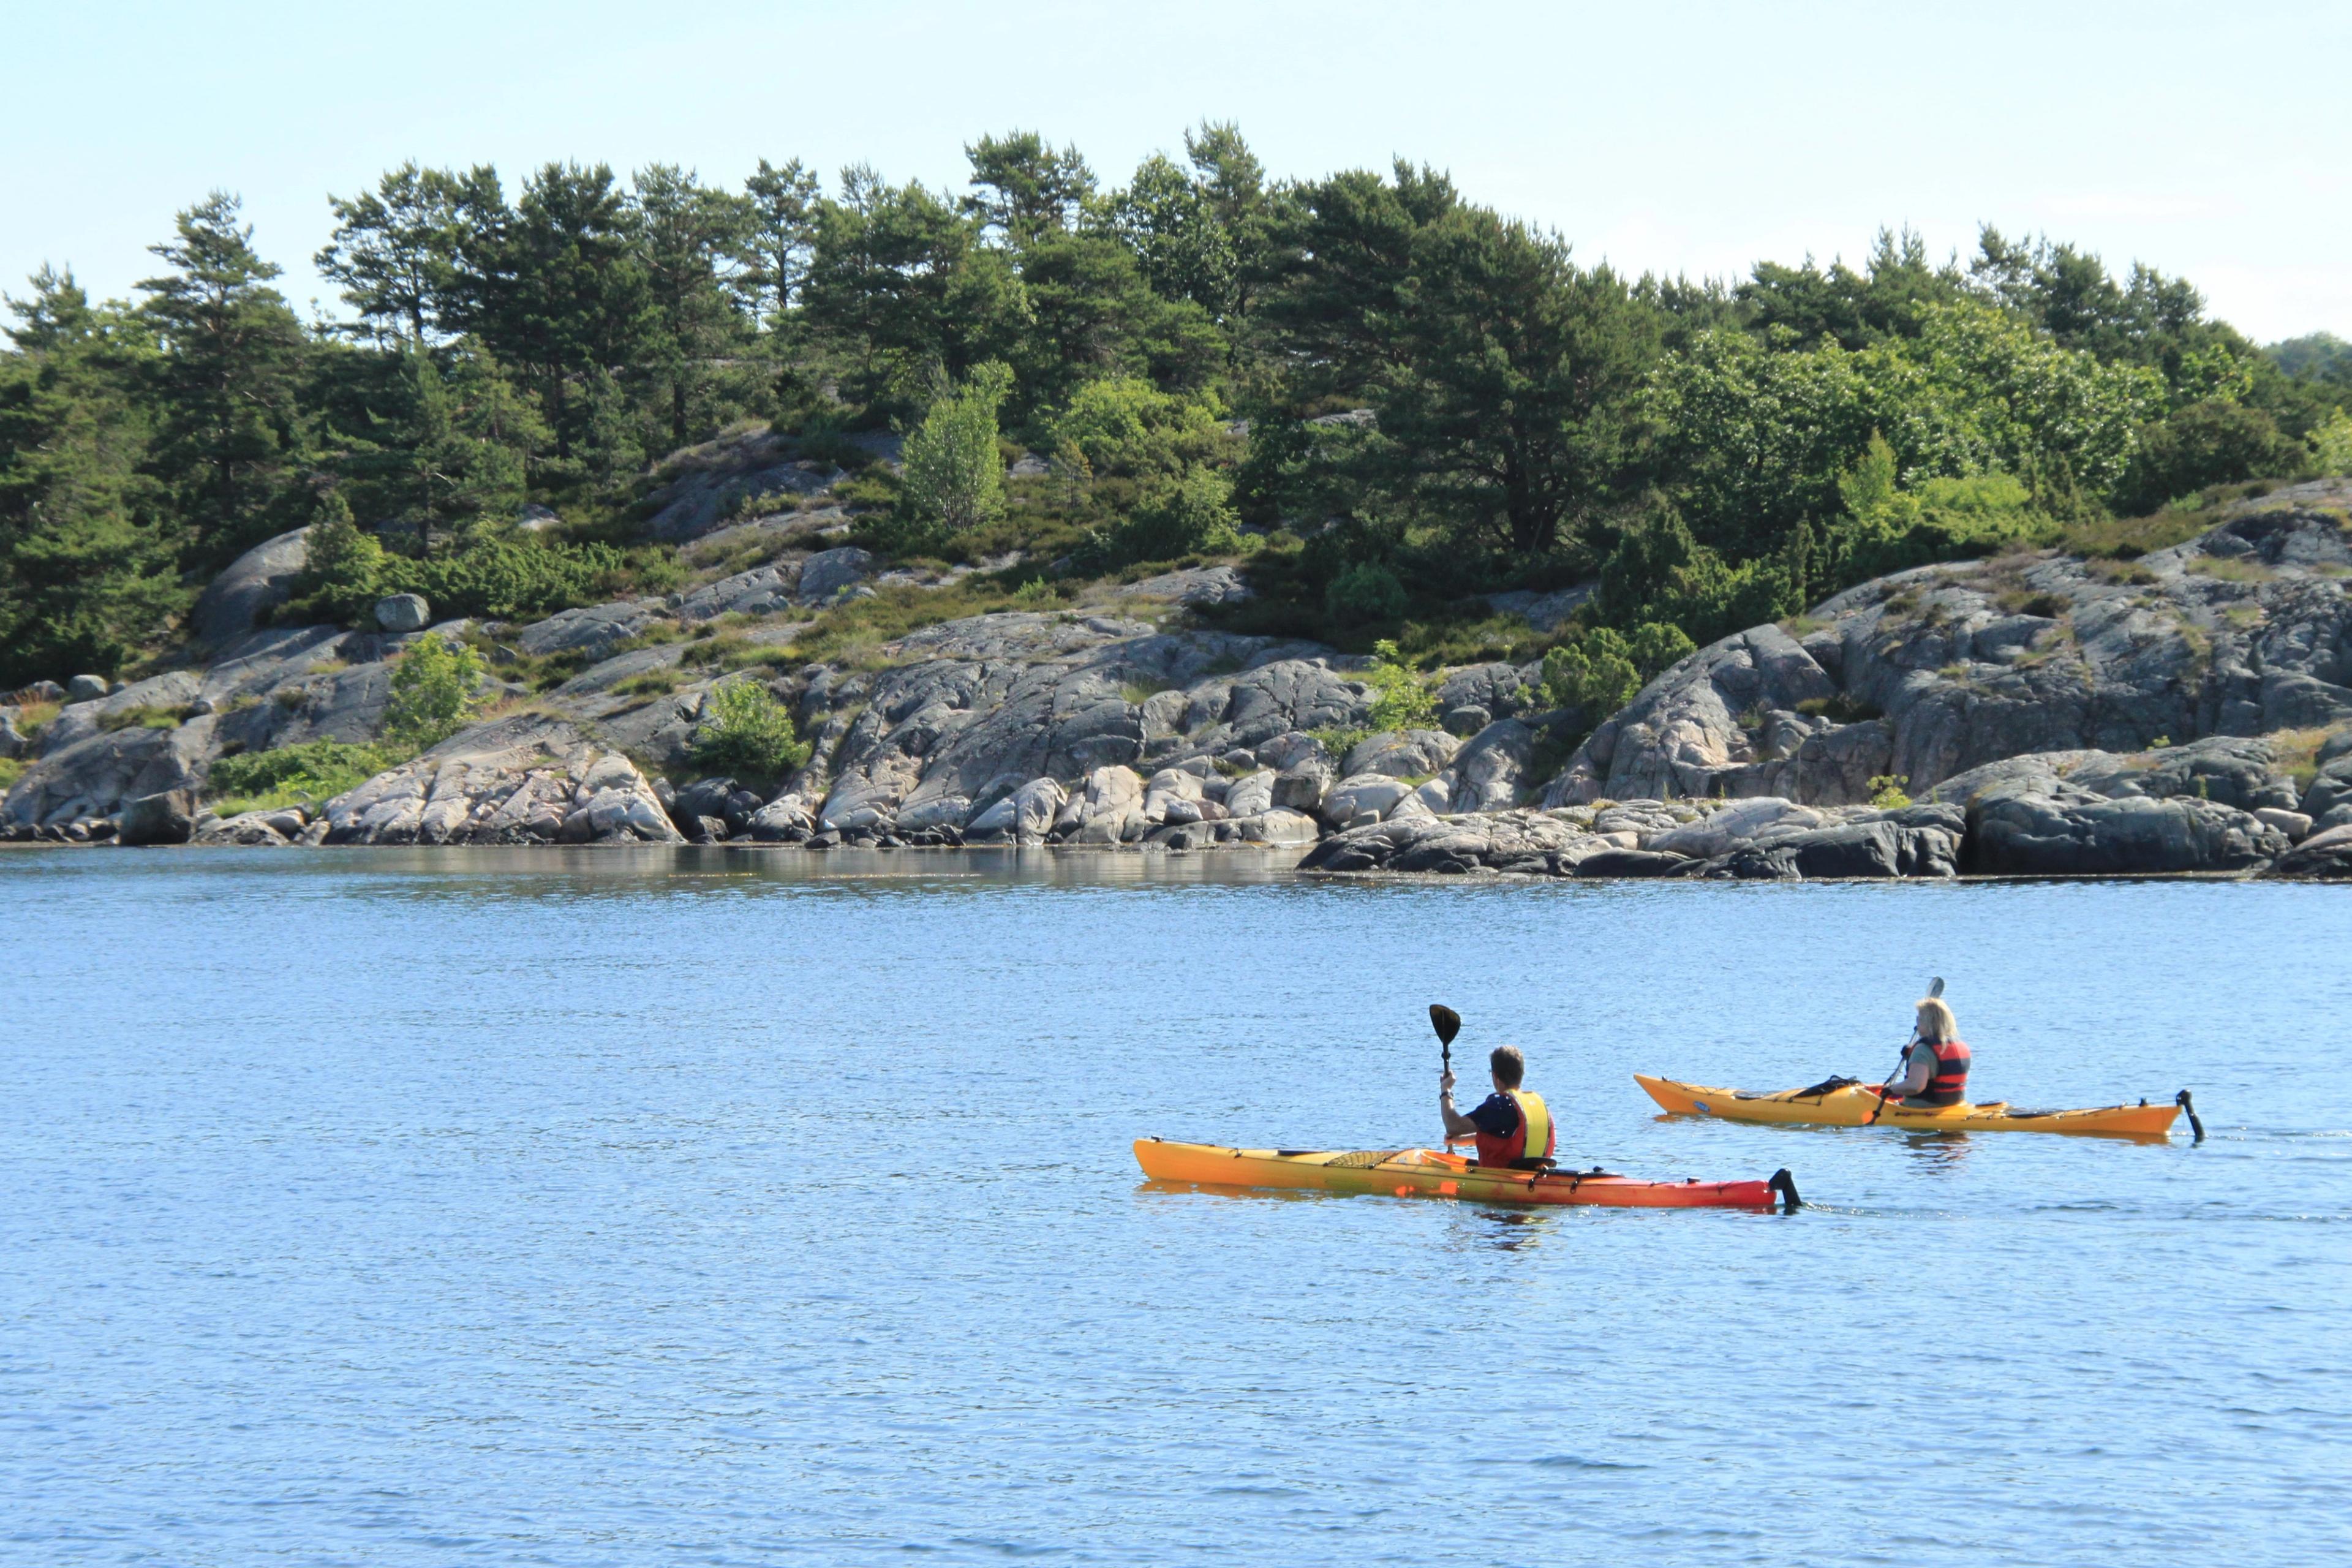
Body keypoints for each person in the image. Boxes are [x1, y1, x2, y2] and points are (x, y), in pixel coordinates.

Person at [1439, 1045, 1556, 1168]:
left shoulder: (1500, 1105)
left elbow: (1453, 1126)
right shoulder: (1535, 1104)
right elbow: (1502, 1139)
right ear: (1521, 1074)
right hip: (1536, 1175)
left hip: (1506, 1179)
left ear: (1495, 1076)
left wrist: (1446, 1090)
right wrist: (1458, 1140)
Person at [1880, 995, 1971, 1107]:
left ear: (1927, 1022)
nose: (1917, 1022)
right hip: (1954, 1105)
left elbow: (1916, 1086)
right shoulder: (1961, 1046)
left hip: (1922, 1109)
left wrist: (1889, 1090)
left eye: (1919, 1018)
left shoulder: (1922, 1050)